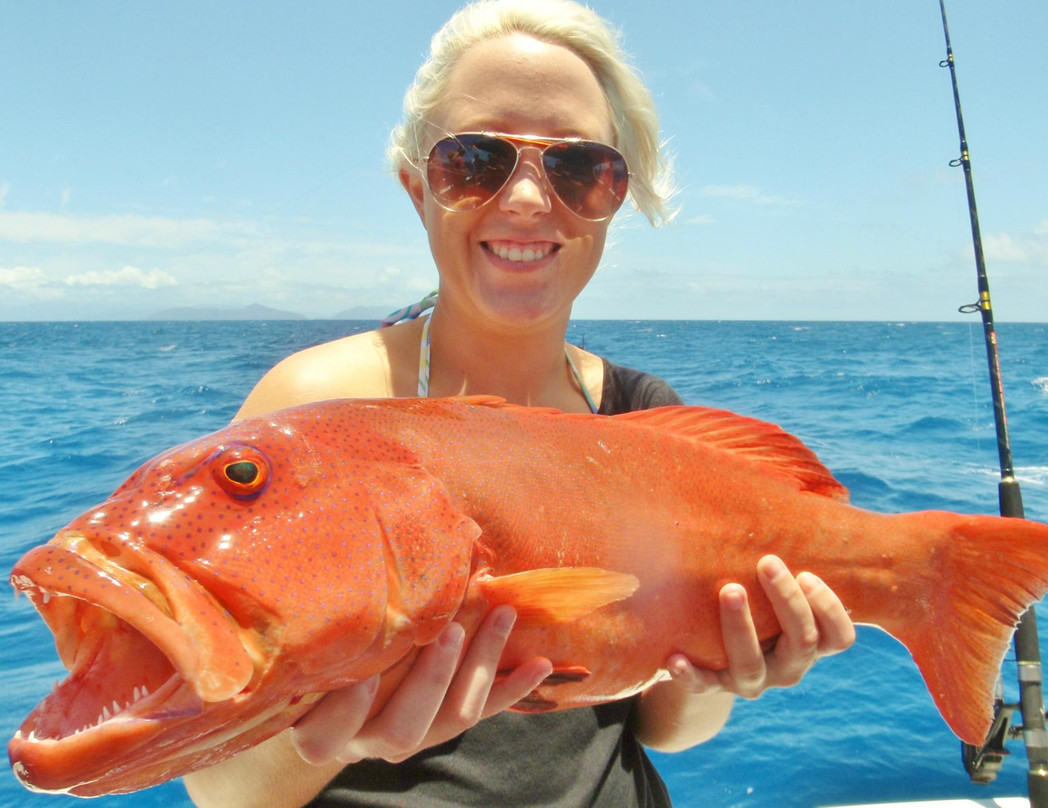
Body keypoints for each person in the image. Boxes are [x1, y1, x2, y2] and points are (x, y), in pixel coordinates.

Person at [183, 1, 855, 805]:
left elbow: (664, 729)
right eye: (474, 160)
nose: (530, 200)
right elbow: (219, 791)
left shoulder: (643, 418)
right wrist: (324, 741)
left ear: (613, 199)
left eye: (579, 168)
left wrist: (722, 671)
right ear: (418, 189)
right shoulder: (310, 415)